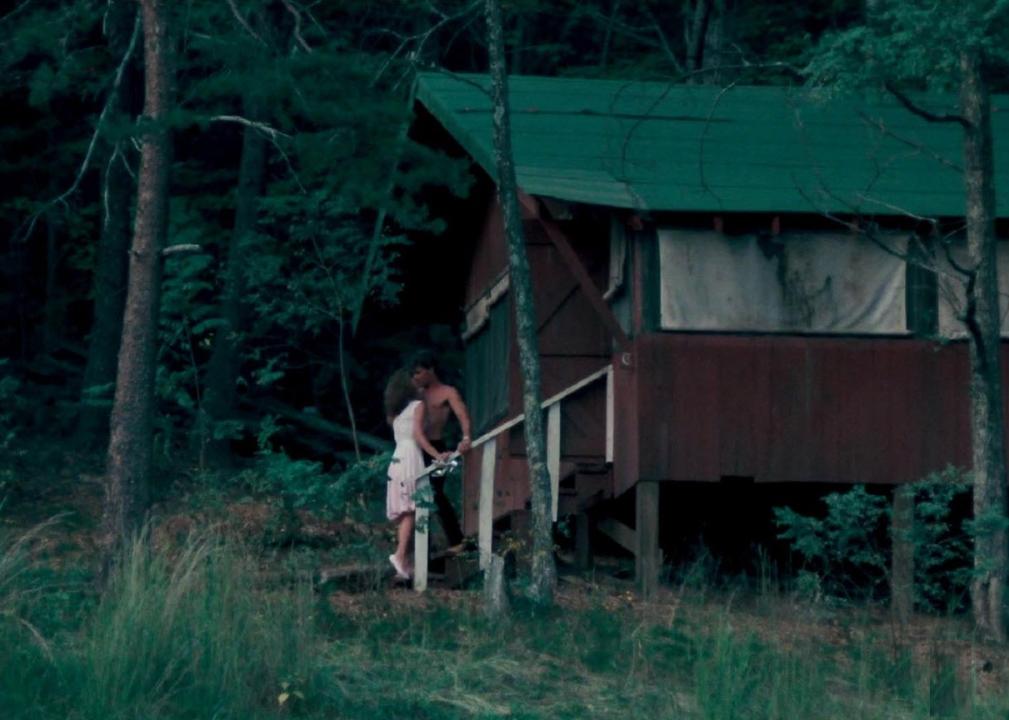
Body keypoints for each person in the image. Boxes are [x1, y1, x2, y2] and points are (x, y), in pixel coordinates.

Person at [383, 369, 443, 581]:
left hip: (397, 458)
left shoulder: (395, 415)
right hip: (410, 457)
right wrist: (437, 455)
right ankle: (400, 556)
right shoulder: (417, 406)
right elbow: (418, 435)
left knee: (408, 510)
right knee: (411, 509)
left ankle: (405, 561)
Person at [409, 350, 472, 551]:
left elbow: (462, 415)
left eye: (419, 372)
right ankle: (422, 550)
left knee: (435, 492)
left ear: (431, 370)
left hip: (438, 448)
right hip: (415, 448)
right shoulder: (414, 393)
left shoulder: (447, 392)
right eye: (414, 373)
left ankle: (457, 541)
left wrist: (466, 437)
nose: (416, 377)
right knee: (414, 496)